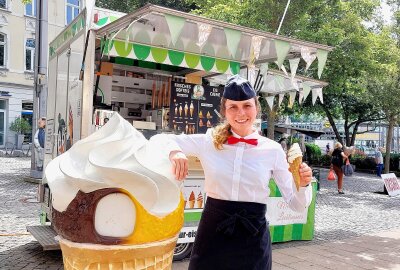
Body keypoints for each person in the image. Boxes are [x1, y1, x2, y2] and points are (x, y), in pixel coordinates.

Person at [162, 75, 313, 270]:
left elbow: (296, 204)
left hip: (253, 238)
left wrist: (304, 184)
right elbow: (162, 140)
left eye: (247, 106)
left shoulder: (273, 150)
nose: (241, 112)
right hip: (213, 234)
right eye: (233, 106)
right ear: (224, 110)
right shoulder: (209, 141)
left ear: (256, 108)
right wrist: (175, 152)